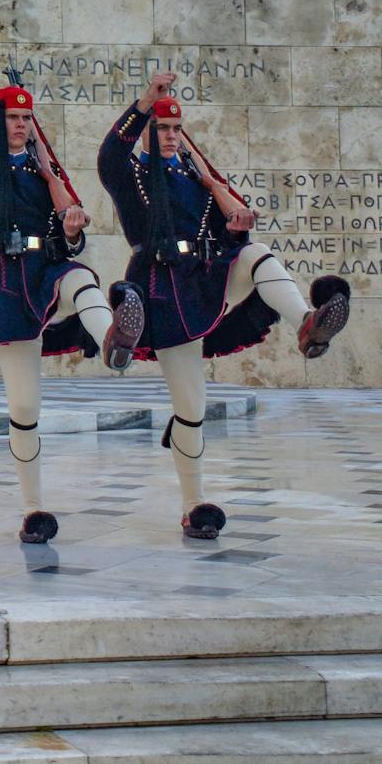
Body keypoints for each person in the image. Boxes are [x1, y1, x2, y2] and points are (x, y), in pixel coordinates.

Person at [98, 70, 351, 540]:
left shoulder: (199, 179)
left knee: (255, 255)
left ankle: (307, 323)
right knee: (192, 408)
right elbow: (110, 154)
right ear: (149, 131)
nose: (171, 136)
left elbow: (222, 237)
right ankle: (192, 503)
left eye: (177, 129)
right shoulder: (132, 173)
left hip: (207, 278)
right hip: (160, 287)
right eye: (163, 129)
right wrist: (141, 104)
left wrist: (235, 224)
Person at [0, 80, 145, 545]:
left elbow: (73, 238)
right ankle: (33, 510)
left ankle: (115, 339)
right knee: (25, 407)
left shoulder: (45, 173)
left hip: (46, 268)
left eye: (27, 119)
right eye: (13, 118)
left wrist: (71, 230)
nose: (21, 125)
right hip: (4, 280)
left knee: (82, 279)